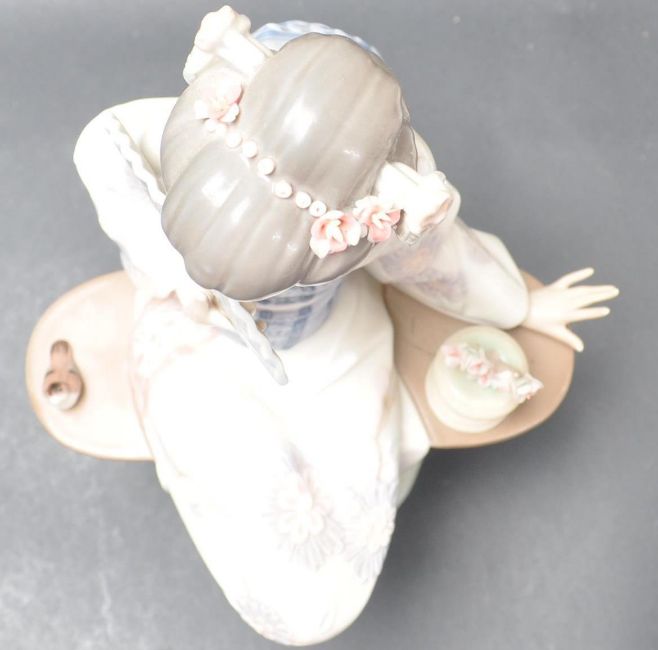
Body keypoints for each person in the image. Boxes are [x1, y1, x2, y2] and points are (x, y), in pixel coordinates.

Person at [72, 7, 617, 645]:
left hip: (328, 338)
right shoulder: (172, 129)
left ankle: (380, 456)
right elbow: (112, 171)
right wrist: (179, 277)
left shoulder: (377, 199)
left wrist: (518, 308)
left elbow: (439, 260)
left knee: (324, 578)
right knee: (239, 500)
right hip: (194, 335)